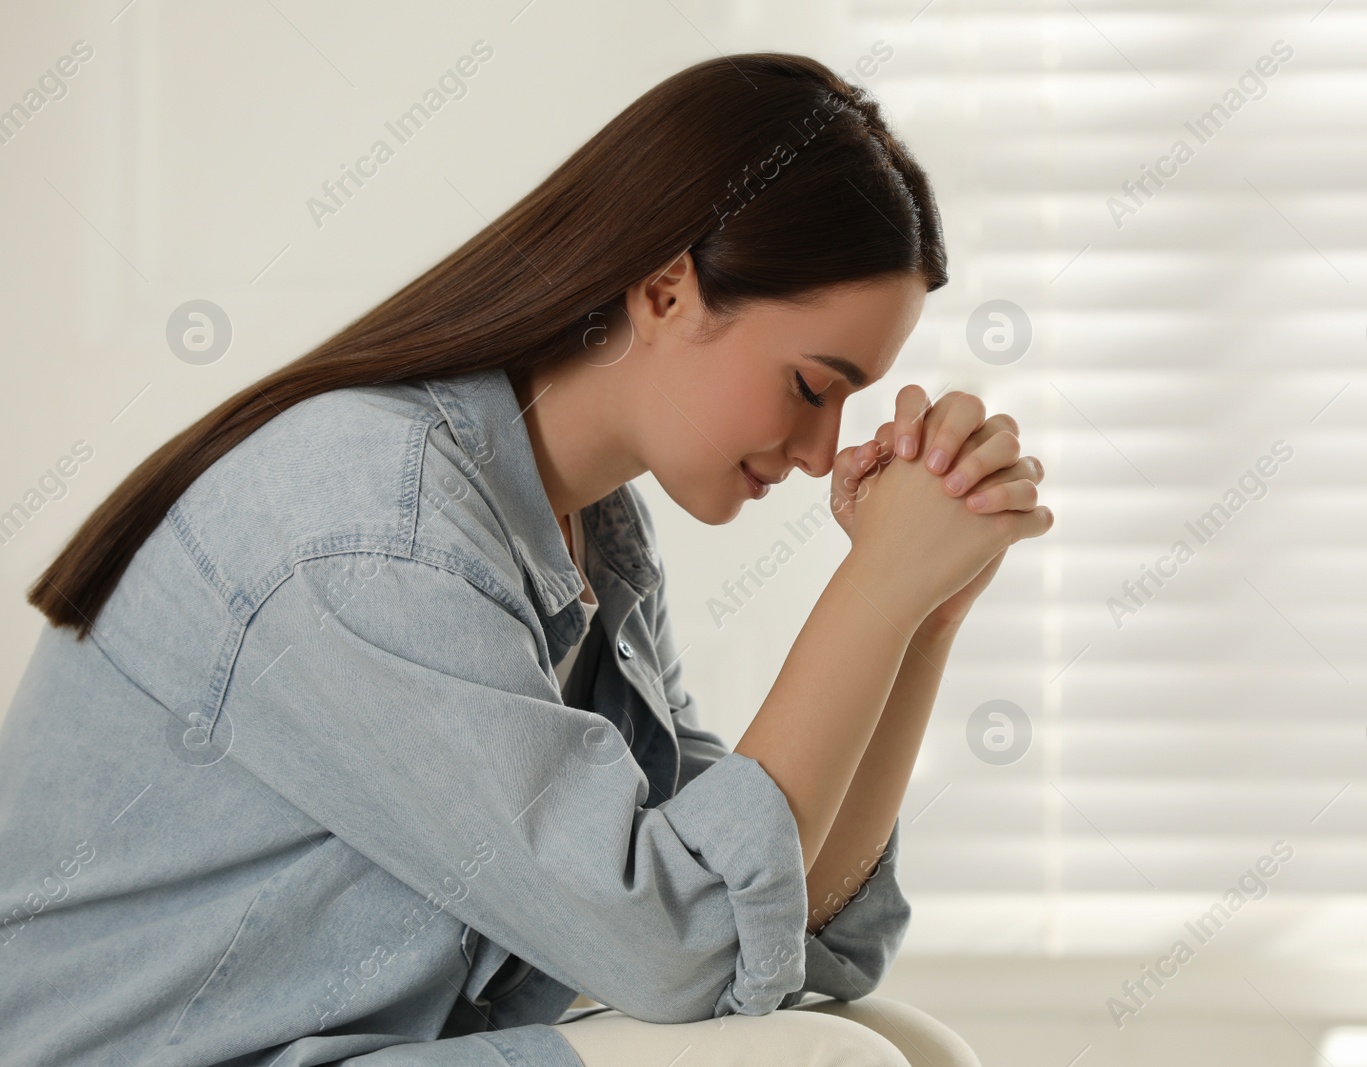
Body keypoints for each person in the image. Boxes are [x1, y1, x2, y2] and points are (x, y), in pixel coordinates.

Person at [0, 52, 1050, 1066]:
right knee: (822, 1055)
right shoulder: (373, 527)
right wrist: (872, 589)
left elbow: (792, 924)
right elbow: (681, 944)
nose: (824, 449)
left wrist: (925, 614)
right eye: (813, 385)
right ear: (668, 290)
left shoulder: (599, 536)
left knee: (904, 1043)